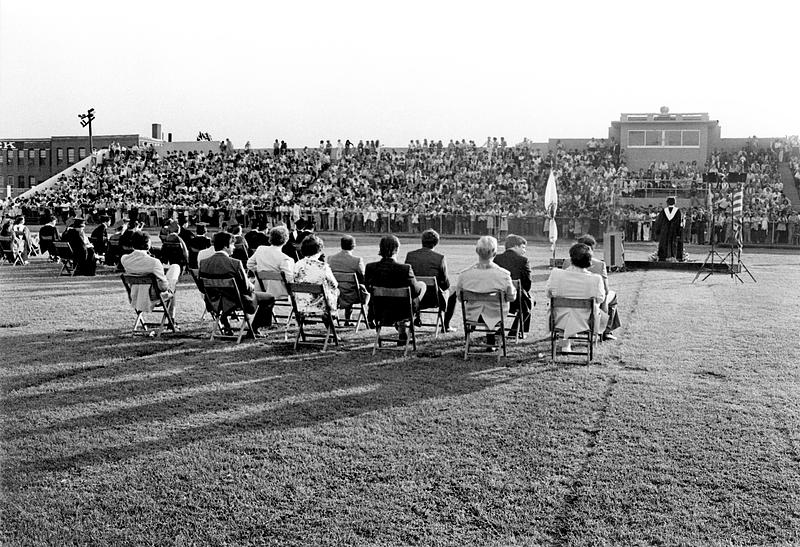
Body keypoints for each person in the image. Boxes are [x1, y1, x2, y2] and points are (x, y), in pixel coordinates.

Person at [199, 231, 275, 337]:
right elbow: (246, 288)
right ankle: (254, 329)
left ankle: (226, 325)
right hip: (236, 301)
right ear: (226, 246)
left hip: (214, 301)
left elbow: (202, 288)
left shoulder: (203, 263)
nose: (234, 247)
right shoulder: (235, 263)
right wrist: (252, 285)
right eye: (232, 244)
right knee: (269, 297)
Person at [546, 242, 608, 353]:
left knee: (565, 313)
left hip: (559, 318)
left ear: (571, 258)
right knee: (595, 308)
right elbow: (600, 299)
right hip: (585, 320)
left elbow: (549, 294)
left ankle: (565, 345)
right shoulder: (596, 279)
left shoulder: (556, 274)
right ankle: (605, 333)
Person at [455, 236, 517, 347]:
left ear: (477, 251)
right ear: (495, 253)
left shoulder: (464, 274)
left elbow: (459, 297)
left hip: (472, 316)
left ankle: (488, 339)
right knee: (492, 307)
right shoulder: (503, 275)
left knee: (487, 307)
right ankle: (491, 339)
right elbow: (511, 297)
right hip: (496, 315)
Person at [365, 235, 426, 345]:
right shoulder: (405, 269)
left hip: (379, 309)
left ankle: (403, 329)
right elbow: (416, 292)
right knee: (421, 286)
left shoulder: (370, 267)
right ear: (397, 249)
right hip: (402, 311)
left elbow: (368, 288)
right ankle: (411, 321)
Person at [404, 229, 457, 332]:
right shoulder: (440, 258)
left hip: (414, 297)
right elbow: (445, 284)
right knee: (453, 292)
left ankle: (416, 317)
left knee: (415, 284)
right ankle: (446, 325)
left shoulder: (410, 255)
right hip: (433, 299)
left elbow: (409, 279)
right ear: (436, 243)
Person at [121, 231, 181, 319]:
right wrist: (170, 281)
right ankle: (171, 318)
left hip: (135, 294)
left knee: (170, 274)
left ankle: (171, 318)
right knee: (175, 268)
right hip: (153, 296)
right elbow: (164, 286)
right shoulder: (154, 262)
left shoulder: (125, 259)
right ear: (147, 244)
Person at [573, 234, 621, 341]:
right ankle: (607, 330)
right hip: (592, 303)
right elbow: (606, 290)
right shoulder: (599, 265)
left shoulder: (567, 262)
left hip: (572, 303)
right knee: (611, 296)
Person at [493, 234, 533, 336]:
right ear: (515, 246)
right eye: (523, 247)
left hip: (497, 298)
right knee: (528, 303)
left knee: (526, 301)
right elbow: (527, 283)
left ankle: (513, 330)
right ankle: (515, 331)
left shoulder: (496, 258)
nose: (524, 251)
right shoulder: (523, 261)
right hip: (515, 299)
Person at [293, 235, 339, 321]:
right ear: (319, 250)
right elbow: (334, 284)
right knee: (335, 291)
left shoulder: (297, 264)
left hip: (301, 304)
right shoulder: (323, 266)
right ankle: (331, 319)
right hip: (320, 305)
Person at [327, 235, 369, 325]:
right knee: (357, 287)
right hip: (352, 294)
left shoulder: (330, 259)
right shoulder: (357, 260)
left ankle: (347, 319)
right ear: (354, 246)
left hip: (335, 293)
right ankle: (369, 319)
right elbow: (364, 277)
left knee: (347, 287)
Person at [247, 226, 295, 300]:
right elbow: (289, 278)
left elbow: (249, 264)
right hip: (278, 292)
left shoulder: (260, 249)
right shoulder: (285, 259)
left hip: (261, 289)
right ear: (286, 240)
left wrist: (260, 271)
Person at [653, 196, 683, 261]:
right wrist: (678, 232)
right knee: (673, 243)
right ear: (674, 202)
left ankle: (663, 257)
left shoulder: (663, 211)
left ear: (667, 203)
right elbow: (679, 223)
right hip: (674, 231)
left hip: (665, 230)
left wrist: (658, 231)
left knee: (664, 242)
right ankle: (673, 256)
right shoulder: (678, 211)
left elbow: (659, 222)